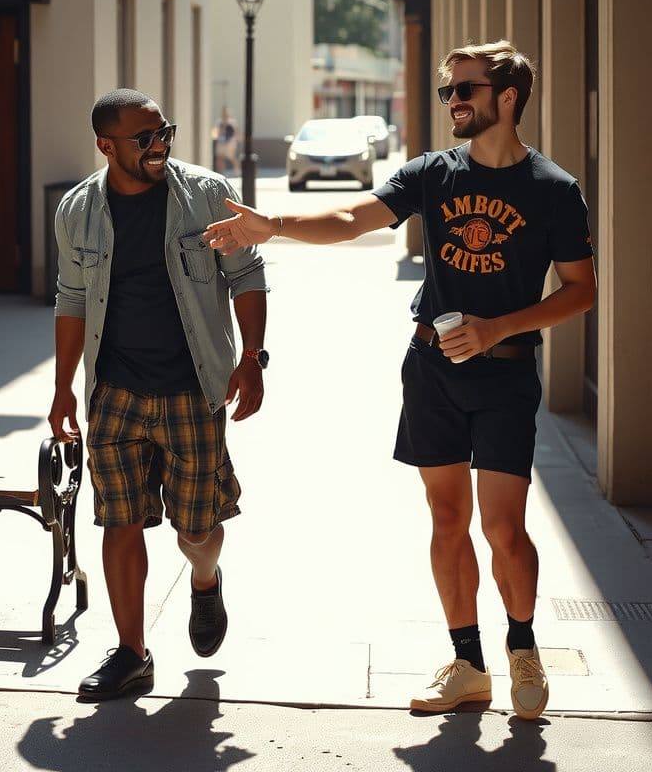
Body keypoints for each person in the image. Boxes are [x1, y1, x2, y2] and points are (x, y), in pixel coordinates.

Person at [203, 41, 596, 720]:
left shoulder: (552, 190)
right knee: (447, 519)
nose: (451, 101)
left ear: (506, 97)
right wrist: (274, 227)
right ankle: (468, 664)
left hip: (504, 375)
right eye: (447, 91)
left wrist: (500, 328)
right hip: (431, 367)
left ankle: (523, 648)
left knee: (505, 528)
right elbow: (353, 218)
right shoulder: (431, 174)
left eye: (463, 90)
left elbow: (579, 291)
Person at [49, 89, 269, 702]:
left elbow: (247, 276)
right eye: (143, 137)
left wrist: (251, 360)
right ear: (105, 144)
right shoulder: (76, 210)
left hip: (192, 388)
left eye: (162, 132)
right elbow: (71, 299)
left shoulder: (203, 194)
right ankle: (131, 653)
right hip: (114, 391)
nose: (159, 145)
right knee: (119, 522)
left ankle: (205, 578)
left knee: (196, 529)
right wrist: (64, 388)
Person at [213, 107, 239, 176]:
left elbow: (235, 132)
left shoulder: (232, 122)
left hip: (230, 142)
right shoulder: (219, 122)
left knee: (232, 157)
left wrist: (235, 142)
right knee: (220, 158)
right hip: (221, 142)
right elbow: (216, 132)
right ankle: (220, 172)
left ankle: (237, 171)